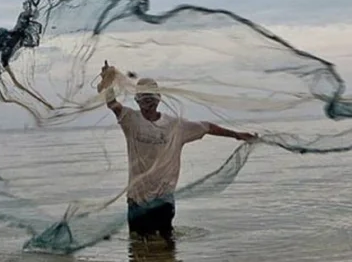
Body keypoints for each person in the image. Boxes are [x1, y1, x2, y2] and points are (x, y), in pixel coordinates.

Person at [97, 61, 257, 244]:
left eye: (151, 98)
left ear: (158, 99)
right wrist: (107, 81)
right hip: (137, 200)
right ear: (137, 100)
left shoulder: (175, 126)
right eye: (143, 98)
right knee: (138, 245)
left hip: (164, 198)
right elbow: (112, 104)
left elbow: (207, 127)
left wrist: (237, 135)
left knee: (167, 243)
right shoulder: (130, 120)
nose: (147, 103)